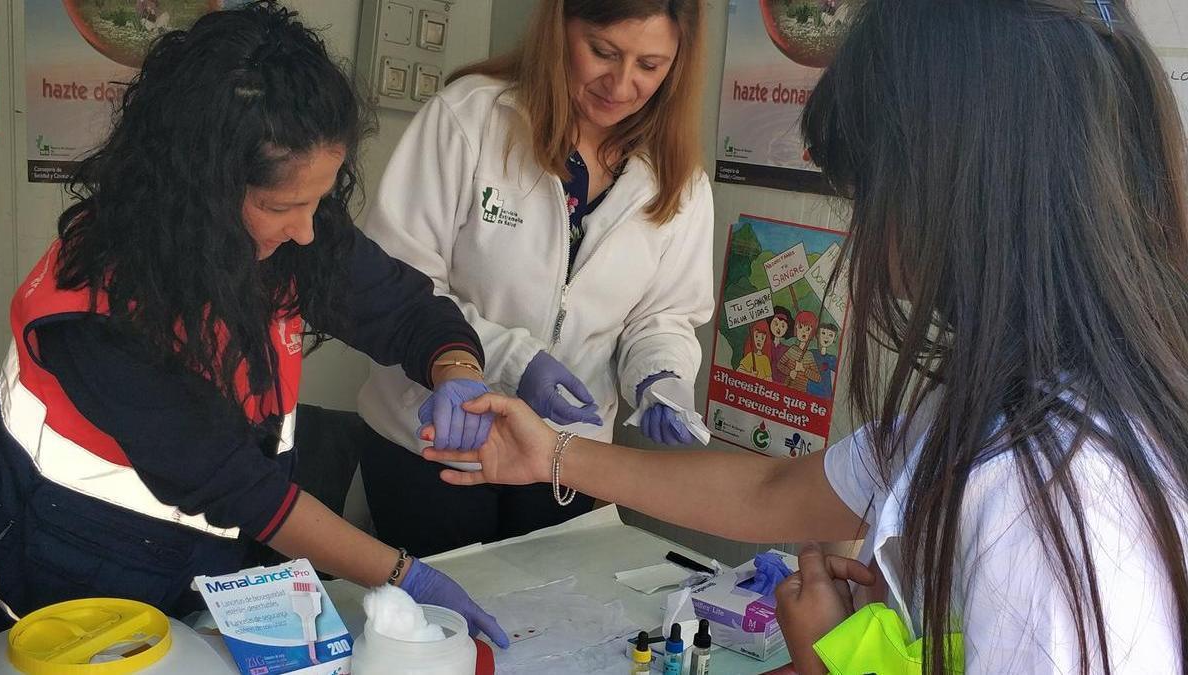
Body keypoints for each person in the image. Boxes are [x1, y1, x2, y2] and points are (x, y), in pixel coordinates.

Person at [421, 0, 1188, 671]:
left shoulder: (1045, 499)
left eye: (869, 193)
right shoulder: (1006, 405)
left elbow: (666, 319)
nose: (863, 230)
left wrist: (829, 660)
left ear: (949, 194)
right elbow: (775, 491)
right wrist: (553, 452)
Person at [0, 2, 506, 646]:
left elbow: (405, 309)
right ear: (200, 188)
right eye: (283, 206)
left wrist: (456, 369)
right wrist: (404, 574)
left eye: (320, 199)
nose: (307, 230)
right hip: (72, 571)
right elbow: (243, 490)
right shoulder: (94, 312)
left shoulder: (288, 235)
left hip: (206, 567)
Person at [357, 0, 714, 556]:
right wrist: (514, 361)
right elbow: (396, 282)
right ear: (560, 28)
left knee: (545, 607)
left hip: (565, 454)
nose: (622, 85)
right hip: (433, 439)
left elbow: (663, 316)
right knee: (438, 605)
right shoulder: (470, 119)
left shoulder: (678, 179)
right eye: (603, 52)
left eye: (650, 65)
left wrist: (661, 374)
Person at [806, 323, 839, 399]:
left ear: (834, 338)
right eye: (823, 333)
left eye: (830, 335)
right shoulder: (811, 353)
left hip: (825, 392)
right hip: (809, 389)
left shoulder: (832, 358)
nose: (826, 337)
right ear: (817, 335)